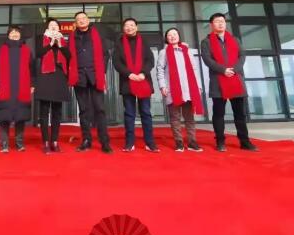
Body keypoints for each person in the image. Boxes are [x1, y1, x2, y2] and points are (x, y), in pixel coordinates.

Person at [200, 13, 258, 152]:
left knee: (240, 114)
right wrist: (223, 70)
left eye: (222, 21)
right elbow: (207, 60)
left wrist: (234, 70)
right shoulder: (206, 42)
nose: (220, 23)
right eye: (217, 21)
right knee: (219, 114)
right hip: (218, 82)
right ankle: (220, 141)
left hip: (235, 80)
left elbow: (242, 55)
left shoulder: (235, 39)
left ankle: (244, 141)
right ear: (211, 25)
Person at [68, 11, 114, 153]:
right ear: (75, 23)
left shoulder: (97, 35)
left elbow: (105, 55)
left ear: (88, 20)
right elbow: (68, 57)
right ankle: (86, 140)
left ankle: (104, 142)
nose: (81, 20)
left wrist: (102, 71)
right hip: (79, 77)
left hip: (95, 76)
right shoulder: (72, 38)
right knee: (83, 111)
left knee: (100, 109)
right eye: (78, 19)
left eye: (83, 18)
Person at [112, 18, 159, 152]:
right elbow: (117, 62)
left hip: (143, 80)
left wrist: (143, 73)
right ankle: (129, 143)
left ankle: (150, 143)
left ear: (136, 27)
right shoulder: (119, 43)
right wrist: (129, 74)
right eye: (126, 25)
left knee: (146, 113)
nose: (129, 27)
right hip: (127, 81)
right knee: (129, 113)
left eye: (132, 25)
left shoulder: (144, 41)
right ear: (123, 29)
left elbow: (150, 60)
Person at [157, 27, 204, 152]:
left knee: (189, 118)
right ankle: (179, 143)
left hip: (188, 88)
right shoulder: (164, 52)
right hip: (172, 89)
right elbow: (160, 70)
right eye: (169, 35)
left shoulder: (186, 51)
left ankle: (192, 142)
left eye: (175, 34)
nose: (172, 36)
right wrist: (162, 86)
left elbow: (194, 69)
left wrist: (198, 86)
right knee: (175, 118)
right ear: (166, 38)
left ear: (179, 36)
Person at [0, 26, 36, 152]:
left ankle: (19, 143)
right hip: (5, 87)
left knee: (21, 115)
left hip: (22, 87)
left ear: (20, 35)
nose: (15, 34)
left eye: (17, 32)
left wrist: (32, 84)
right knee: (4, 116)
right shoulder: (1, 50)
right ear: (8, 35)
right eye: (12, 32)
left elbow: (32, 70)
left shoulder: (27, 50)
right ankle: (4, 143)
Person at [35, 18, 70, 154]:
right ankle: (45, 142)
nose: (54, 27)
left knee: (57, 112)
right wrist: (51, 43)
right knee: (44, 112)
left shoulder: (63, 41)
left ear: (59, 28)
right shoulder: (41, 38)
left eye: (56, 25)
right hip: (45, 76)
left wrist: (59, 44)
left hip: (59, 77)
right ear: (47, 28)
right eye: (51, 25)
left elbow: (69, 56)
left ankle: (54, 141)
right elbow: (39, 53)